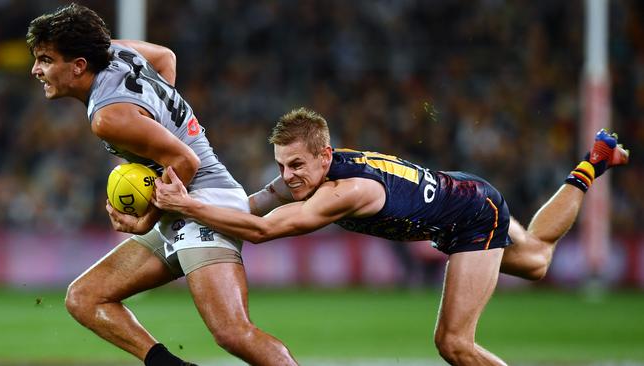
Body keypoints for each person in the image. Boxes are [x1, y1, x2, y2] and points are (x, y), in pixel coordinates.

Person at [143, 107, 629, 365]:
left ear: (324, 155)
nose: (288, 176)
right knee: (538, 261)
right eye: (281, 165)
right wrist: (181, 218)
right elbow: (253, 207)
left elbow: (264, 230)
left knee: (454, 344)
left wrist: (187, 205)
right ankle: (594, 161)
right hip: (461, 195)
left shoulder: (342, 191)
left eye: (296, 165)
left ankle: (592, 162)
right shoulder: (311, 173)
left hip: (472, 218)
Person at [26, 4, 298, 366]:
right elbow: (164, 57)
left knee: (233, 332)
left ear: (78, 65)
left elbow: (187, 161)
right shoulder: (117, 53)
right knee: (85, 297)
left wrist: (146, 220)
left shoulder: (109, 117)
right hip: (182, 204)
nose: (35, 70)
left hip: (204, 204)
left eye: (45, 59)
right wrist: (157, 114)